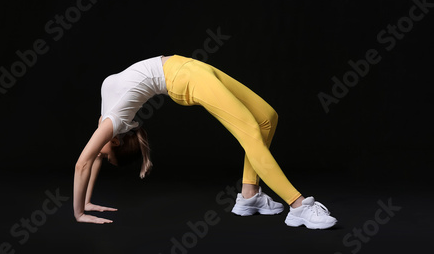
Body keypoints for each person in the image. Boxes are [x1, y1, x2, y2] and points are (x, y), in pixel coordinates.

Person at [73, 55, 337, 229]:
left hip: (190, 67)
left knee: (267, 117)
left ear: (115, 143)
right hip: (184, 79)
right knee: (250, 132)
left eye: (106, 157)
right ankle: (299, 206)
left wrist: (83, 206)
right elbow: (87, 162)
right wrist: (81, 211)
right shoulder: (114, 121)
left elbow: (86, 162)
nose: (100, 154)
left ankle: (249, 196)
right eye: (105, 156)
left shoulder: (109, 119)